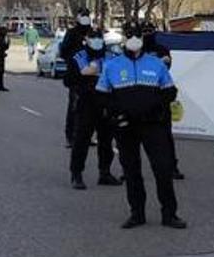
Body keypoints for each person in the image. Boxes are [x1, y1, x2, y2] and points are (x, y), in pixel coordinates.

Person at [97, 22, 186, 229]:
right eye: (130, 35)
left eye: (137, 35)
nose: (134, 39)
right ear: (124, 39)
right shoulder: (112, 65)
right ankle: (137, 213)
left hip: (153, 125)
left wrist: (156, 108)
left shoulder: (156, 64)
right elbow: (102, 96)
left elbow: (170, 91)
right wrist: (116, 113)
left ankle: (170, 214)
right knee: (131, 171)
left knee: (162, 169)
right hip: (126, 126)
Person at [67, 27, 122, 189]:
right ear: (87, 39)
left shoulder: (111, 56)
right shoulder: (78, 57)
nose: (96, 40)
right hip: (87, 103)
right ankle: (76, 174)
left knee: (106, 140)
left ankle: (104, 172)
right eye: (93, 37)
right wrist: (84, 76)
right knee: (82, 140)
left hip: (107, 102)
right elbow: (69, 80)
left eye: (99, 37)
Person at [141, 21, 184, 180]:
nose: (147, 34)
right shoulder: (136, 50)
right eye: (144, 31)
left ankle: (172, 167)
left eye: (149, 31)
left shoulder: (162, 49)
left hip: (159, 96)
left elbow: (167, 66)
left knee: (165, 136)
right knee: (133, 136)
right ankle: (129, 170)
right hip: (140, 96)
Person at [61, 8, 92, 148]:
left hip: (91, 74)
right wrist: (75, 59)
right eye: (83, 16)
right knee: (75, 106)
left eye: (87, 15)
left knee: (91, 107)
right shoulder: (72, 33)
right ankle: (71, 136)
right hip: (76, 75)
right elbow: (63, 51)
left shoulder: (92, 32)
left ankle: (88, 135)